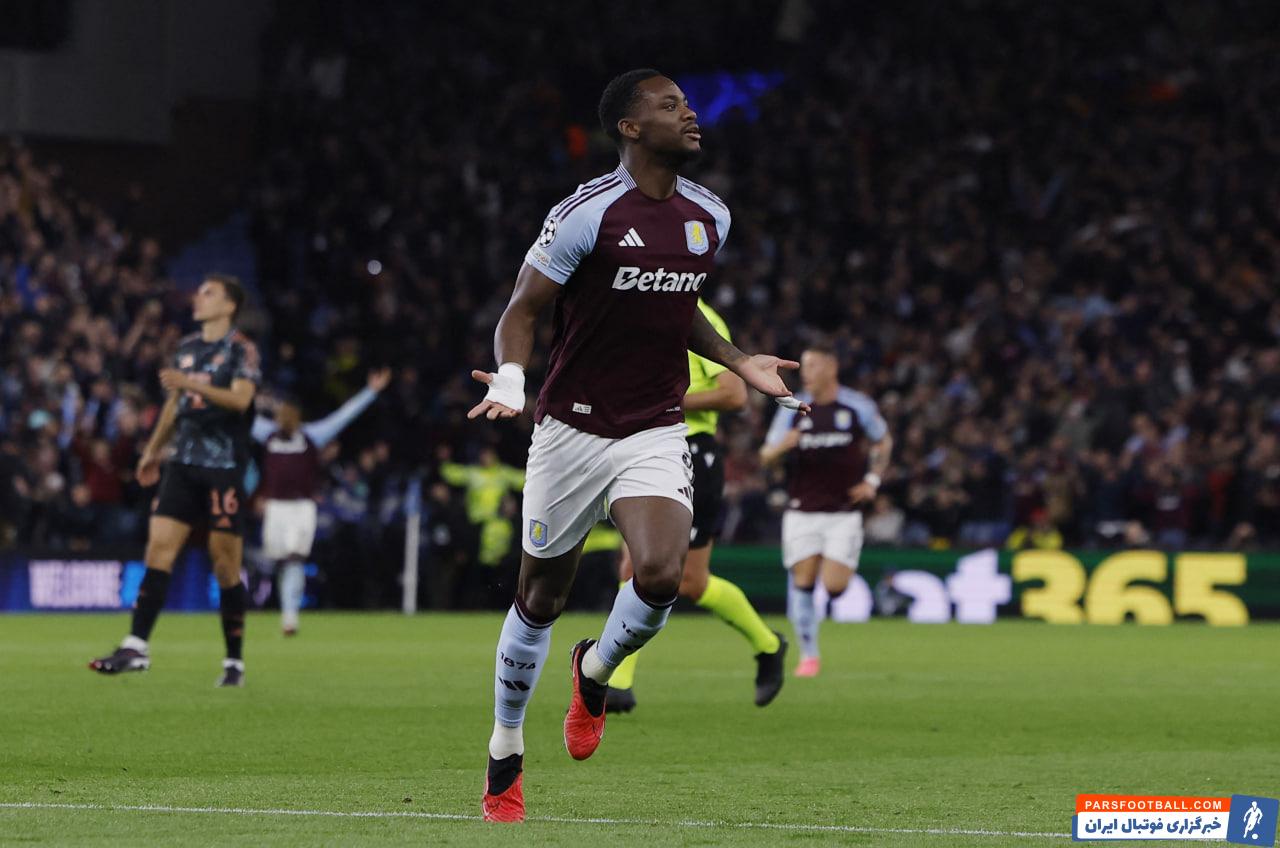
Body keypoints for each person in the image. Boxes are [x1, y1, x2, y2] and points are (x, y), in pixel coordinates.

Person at [468, 68, 807, 823]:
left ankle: (595, 670)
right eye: (668, 105)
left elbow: (679, 308)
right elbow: (522, 310)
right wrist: (514, 379)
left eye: (686, 104)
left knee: (660, 575)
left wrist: (739, 361)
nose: (689, 113)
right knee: (539, 598)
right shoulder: (586, 214)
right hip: (570, 429)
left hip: (653, 425)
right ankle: (506, 746)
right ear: (629, 126)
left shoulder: (710, 216)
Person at [607, 298, 787, 714]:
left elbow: (733, 394)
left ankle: (768, 644)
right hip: (646, 450)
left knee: (691, 582)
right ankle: (618, 683)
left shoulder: (696, 314)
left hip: (691, 453)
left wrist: (662, 401)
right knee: (633, 568)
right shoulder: (634, 309)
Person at [89, 274, 260, 687]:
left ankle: (234, 662)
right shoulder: (186, 348)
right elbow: (174, 405)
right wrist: (153, 450)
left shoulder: (242, 349)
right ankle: (136, 646)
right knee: (158, 550)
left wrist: (188, 384)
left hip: (223, 467)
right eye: (199, 291)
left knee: (225, 565)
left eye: (209, 293)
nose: (198, 298)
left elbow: (241, 399)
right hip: (181, 464)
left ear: (230, 306)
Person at [760, 342, 892, 678]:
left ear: (831, 367)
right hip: (802, 511)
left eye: (813, 365)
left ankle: (829, 578)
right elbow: (765, 456)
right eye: (805, 366)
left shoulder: (857, 406)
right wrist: (782, 446)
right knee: (803, 582)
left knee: (835, 587)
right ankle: (809, 655)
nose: (806, 372)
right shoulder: (792, 407)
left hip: (843, 513)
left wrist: (873, 480)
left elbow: (883, 440)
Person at [253, 368, 391, 635]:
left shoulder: (311, 436)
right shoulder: (267, 434)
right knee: (279, 561)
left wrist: (370, 392)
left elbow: (343, 416)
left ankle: (290, 616)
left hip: (301, 507)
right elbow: (239, 412)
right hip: (276, 507)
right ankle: (279, 606)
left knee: (294, 559)